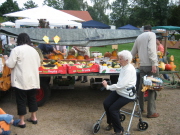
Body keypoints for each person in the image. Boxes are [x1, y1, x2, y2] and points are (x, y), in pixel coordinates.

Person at [5, 33, 41, 128]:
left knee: (21, 100)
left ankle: (22, 121)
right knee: (32, 98)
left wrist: (6, 59)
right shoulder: (34, 50)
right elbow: (38, 64)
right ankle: (34, 117)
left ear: (19, 40)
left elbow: (10, 64)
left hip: (21, 80)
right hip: (33, 79)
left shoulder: (16, 50)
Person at [102, 50, 136, 135]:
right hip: (120, 91)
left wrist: (108, 87)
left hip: (127, 94)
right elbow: (120, 85)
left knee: (113, 109)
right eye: (119, 59)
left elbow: (121, 85)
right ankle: (111, 123)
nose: (119, 61)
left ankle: (119, 130)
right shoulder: (124, 67)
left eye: (120, 59)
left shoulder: (129, 69)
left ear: (127, 60)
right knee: (106, 103)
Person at [131, 25, 159, 118]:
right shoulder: (151, 35)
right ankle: (151, 112)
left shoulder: (139, 37)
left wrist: (128, 61)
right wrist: (154, 63)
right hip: (150, 65)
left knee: (141, 87)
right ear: (151, 30)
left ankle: (141, 108)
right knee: (152, 88)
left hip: (142, 65)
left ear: (143, 30)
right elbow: (151, 50)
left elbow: (133, 51)